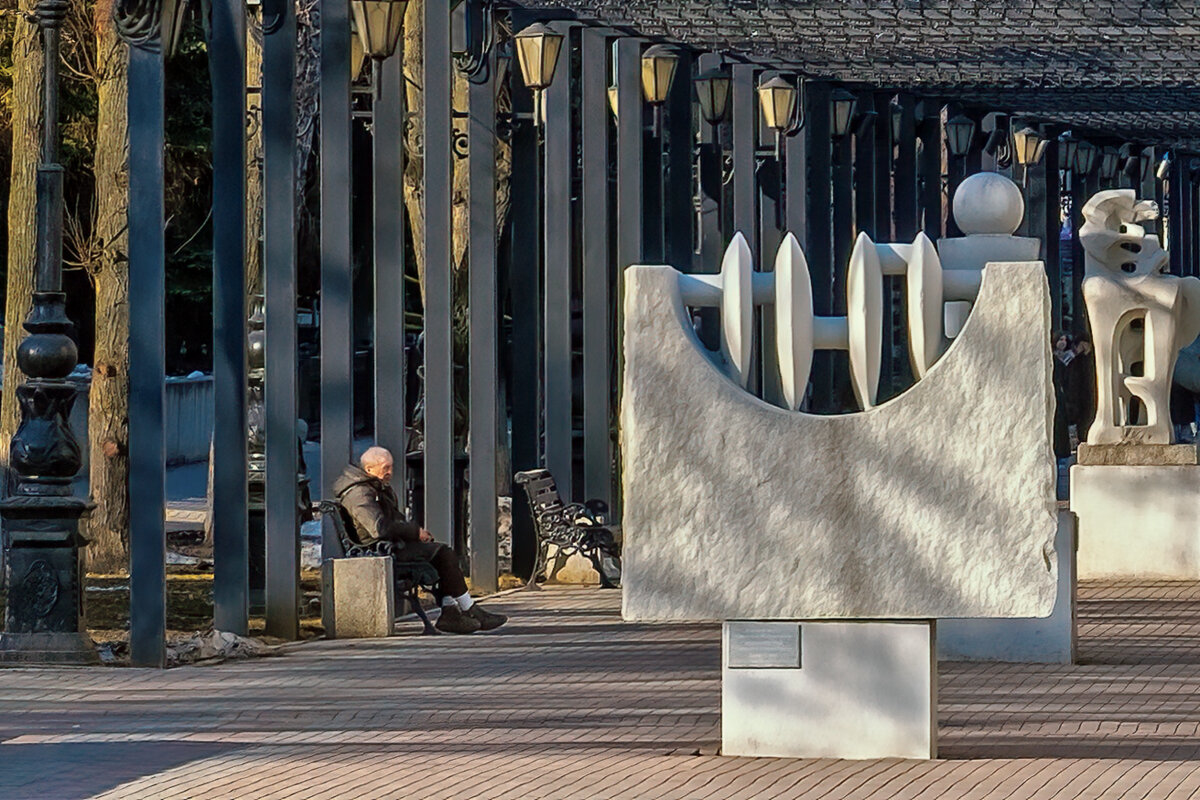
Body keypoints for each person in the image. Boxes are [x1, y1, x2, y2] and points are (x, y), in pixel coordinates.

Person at [333, 446, 507, 635]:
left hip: (389, 545)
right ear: (369, 469)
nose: (390, 472)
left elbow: (392, 520)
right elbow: (378, 528)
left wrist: (415, 532)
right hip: (378, 550)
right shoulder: (359, 493)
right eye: (385, 468)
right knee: (443, 553)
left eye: (391, 467)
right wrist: (414, 532)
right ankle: (467, 610)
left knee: (440, 552)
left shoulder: (373, 488)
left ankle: (451, 612)